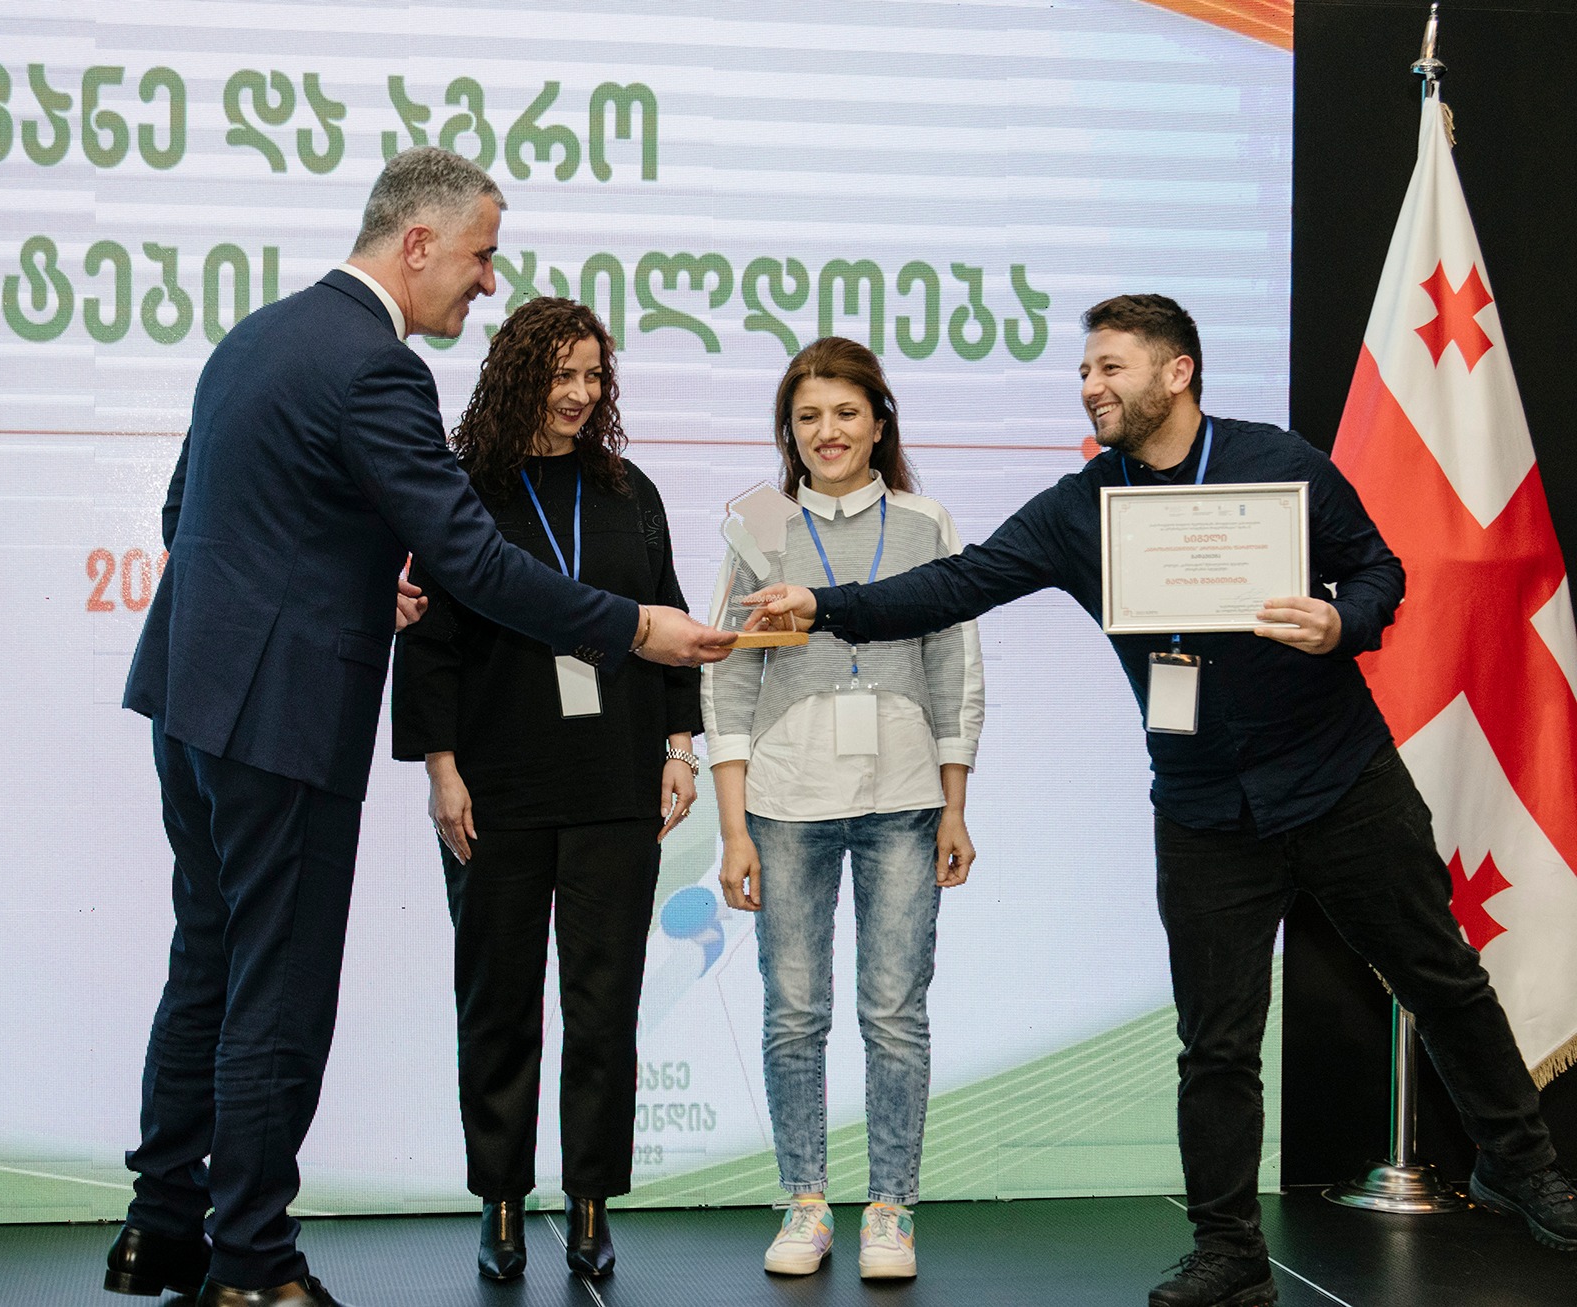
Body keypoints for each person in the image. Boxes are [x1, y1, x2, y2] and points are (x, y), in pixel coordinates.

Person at [744, 295, 1577, 1307]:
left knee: (1440, 975)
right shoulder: (1081, 507)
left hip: (1339, 779)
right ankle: (1230, 1251)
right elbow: (956, 585)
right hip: (1203, 809)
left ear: (1177, 372)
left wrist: (1342, 622)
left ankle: (1520, 1162)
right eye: (1084, 372)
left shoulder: (1278, 463)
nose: (1090, 387)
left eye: (1110, 368)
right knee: (1216, 1044)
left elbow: (1378, 569)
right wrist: (824, 605)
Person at [109, 148, 735, 1307]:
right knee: (278, 988)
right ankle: (250, 1263)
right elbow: (472, 560)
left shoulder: (254, 338)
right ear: (417, 243)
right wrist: (633, 627)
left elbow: (186, 513)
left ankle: (158, 1227)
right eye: (481, 254)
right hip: (281, 716)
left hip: (191, 700)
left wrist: (349, 584)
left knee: (208, 960)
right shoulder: (378, 367)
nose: (488, 280)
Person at [390, 297, 704, 1283]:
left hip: (615, 779)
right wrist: (441, 768)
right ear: (519, 376)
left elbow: (666, 618)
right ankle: (499, 1202)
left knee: (604, 1006)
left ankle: (591, 1200)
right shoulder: (463, 490)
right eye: (562, 374)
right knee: (497, 1004)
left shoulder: (627, 489)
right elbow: (430, 643)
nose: (579, 394)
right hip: (498, 786)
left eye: (594, 375)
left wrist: (681, 745)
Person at [704, 337, 983, 1281]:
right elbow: (726, 680)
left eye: (846, 412)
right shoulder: (760, 527)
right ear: (788, 431)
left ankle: (891, 1208)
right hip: (785, 803)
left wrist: (955, 804)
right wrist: (732, 828)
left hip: (905, 798)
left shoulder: (926, 521)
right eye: (808, 416)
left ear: (879, 421)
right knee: (794, 1011)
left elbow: (954, 667)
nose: (828, 431)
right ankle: (806, 1201)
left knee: (895, 1011)